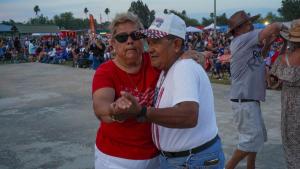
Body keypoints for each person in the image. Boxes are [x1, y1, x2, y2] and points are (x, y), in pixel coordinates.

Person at [112, 13, 225, 169]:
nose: (150, 49)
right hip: (186, 159)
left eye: (156, 42)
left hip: (191, 161)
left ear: (177, 44)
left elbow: (188, 115)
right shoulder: (169, 67)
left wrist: (143, 112)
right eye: (149, 43)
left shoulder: (183, 68)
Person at [92, 12, 200, 169]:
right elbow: (100, 106)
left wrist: (195, 56)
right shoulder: (106, 71)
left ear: (142, 39)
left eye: (135, 35)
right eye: (122, 38)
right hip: (116, 158)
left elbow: (175, 53)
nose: (129, 41)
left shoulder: (155, 61)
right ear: (113, 44)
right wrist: (114, 109)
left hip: (157, 156)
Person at [225, 10, 288, 169]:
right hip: (244, 100)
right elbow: (273, 26)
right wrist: (289, 27)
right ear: (238, 29)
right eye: (247, 23)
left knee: (254, 139)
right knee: (251, 140)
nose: (251, 25)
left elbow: (257, 59)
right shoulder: (241, 40)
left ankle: (250, 167)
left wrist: (267, 45)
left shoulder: (245, 43)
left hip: (248, 99)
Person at [270, 19, 300, 169]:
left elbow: (273, 84)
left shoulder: (283, 59)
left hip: (291, 109)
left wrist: (283, 47)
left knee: (292, 145)